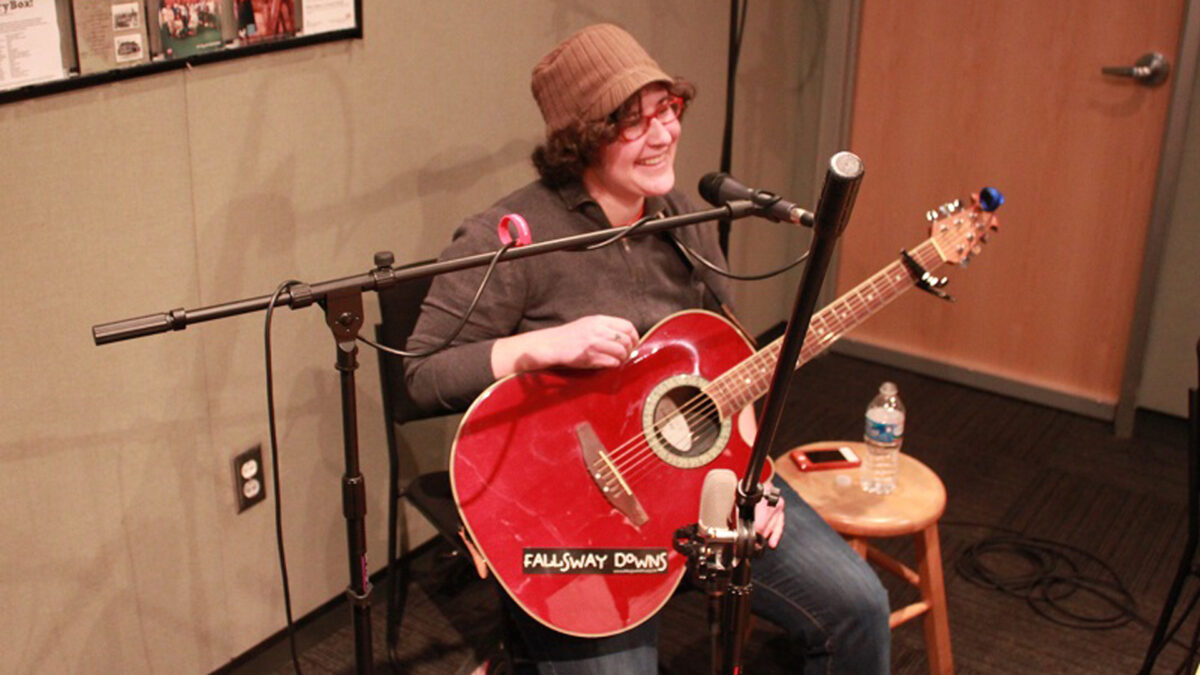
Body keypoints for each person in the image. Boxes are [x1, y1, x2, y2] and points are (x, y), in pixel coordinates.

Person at [404, 23, 890, 674]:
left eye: (668, 109)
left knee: (859, 605)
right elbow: (420, 375)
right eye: (634, 122)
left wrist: (758, 476)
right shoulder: (513, 236)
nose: (665, 134)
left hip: (706, 482)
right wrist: (548, 345)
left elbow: (730, 372)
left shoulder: (685, 219)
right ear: (583, 138)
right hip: (578, 516)